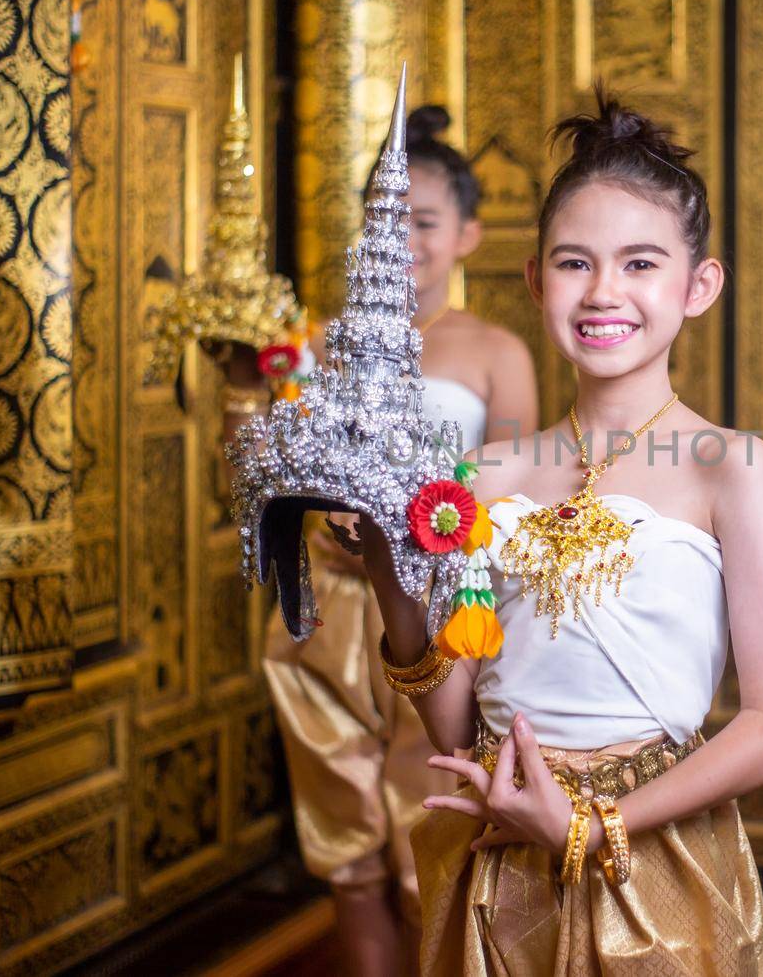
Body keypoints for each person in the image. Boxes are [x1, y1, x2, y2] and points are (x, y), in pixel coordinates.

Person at [358, 91, 763, 974]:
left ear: (699, 284)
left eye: (640, 263)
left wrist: (589, 822)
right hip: (502, 865)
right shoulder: (488, 475)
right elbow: (455, 727)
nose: (604, 291)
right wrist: (389, 572)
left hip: (654, 860)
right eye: (575, 262)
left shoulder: (733, 466)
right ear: (536, 279)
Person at [262, 105, 537, 975]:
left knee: (436, 838)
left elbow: (518, 488)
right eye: (383, 222)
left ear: (467, 234)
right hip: (323, 614)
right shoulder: (318, 348)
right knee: (348, 852)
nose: (402, 239)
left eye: (421, 221)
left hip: (441, 613)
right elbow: (276, 470)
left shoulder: (494, 350)